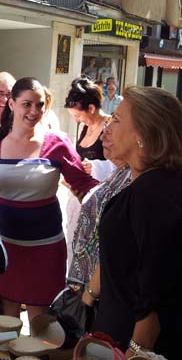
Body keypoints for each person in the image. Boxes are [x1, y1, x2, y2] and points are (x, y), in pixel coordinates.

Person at [0, 77, 98, 321]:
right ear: (12, 104)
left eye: (40, 105)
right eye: (27, 104)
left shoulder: (57, 142)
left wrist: (119, 191)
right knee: (5, 322)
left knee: (42, 326)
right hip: (4, 247)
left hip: (46, 248)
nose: (34, 111)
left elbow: (84, 186)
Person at [92, 87, 182, 359]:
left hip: (133, 344)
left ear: (143, 133)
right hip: (115, 333)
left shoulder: (154, 191)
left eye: (117, 119)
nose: (108, 126)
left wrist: (137, 351)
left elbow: (156, 283)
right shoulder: (146, 182)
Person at [64, 76, 113, 179]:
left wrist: (96, 167)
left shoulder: (111, 126)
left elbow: (122, 164)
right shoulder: (83, 127)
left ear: (91, 108)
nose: (76, 121)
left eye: (78, 116)